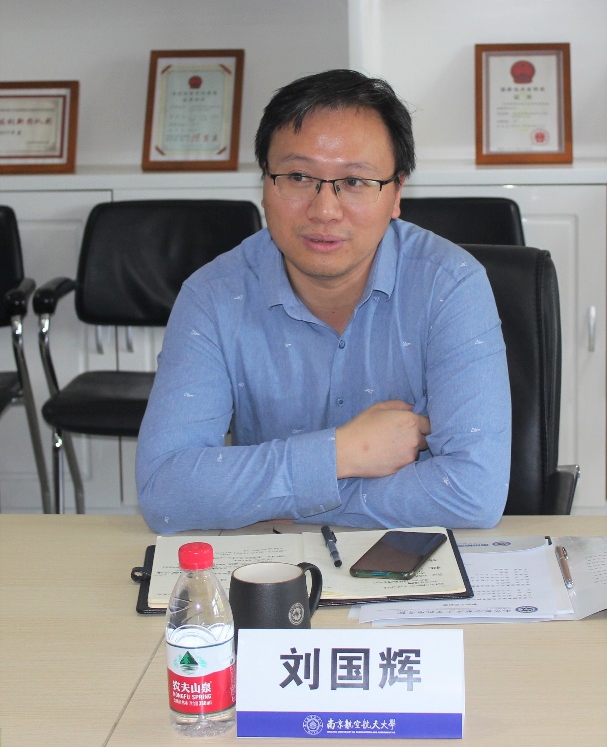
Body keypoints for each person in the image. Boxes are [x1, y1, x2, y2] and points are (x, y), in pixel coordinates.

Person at [136, 69, 511, 534]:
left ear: (397, 192)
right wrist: (344, 452)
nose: (325, 210)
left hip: (410, 559)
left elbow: (473, 493)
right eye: (298, 176)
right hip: (270, 565)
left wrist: (274, 497)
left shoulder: (450, 285)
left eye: (354, 181)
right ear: (264, 184)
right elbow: (165, 491)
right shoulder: (213, 296)